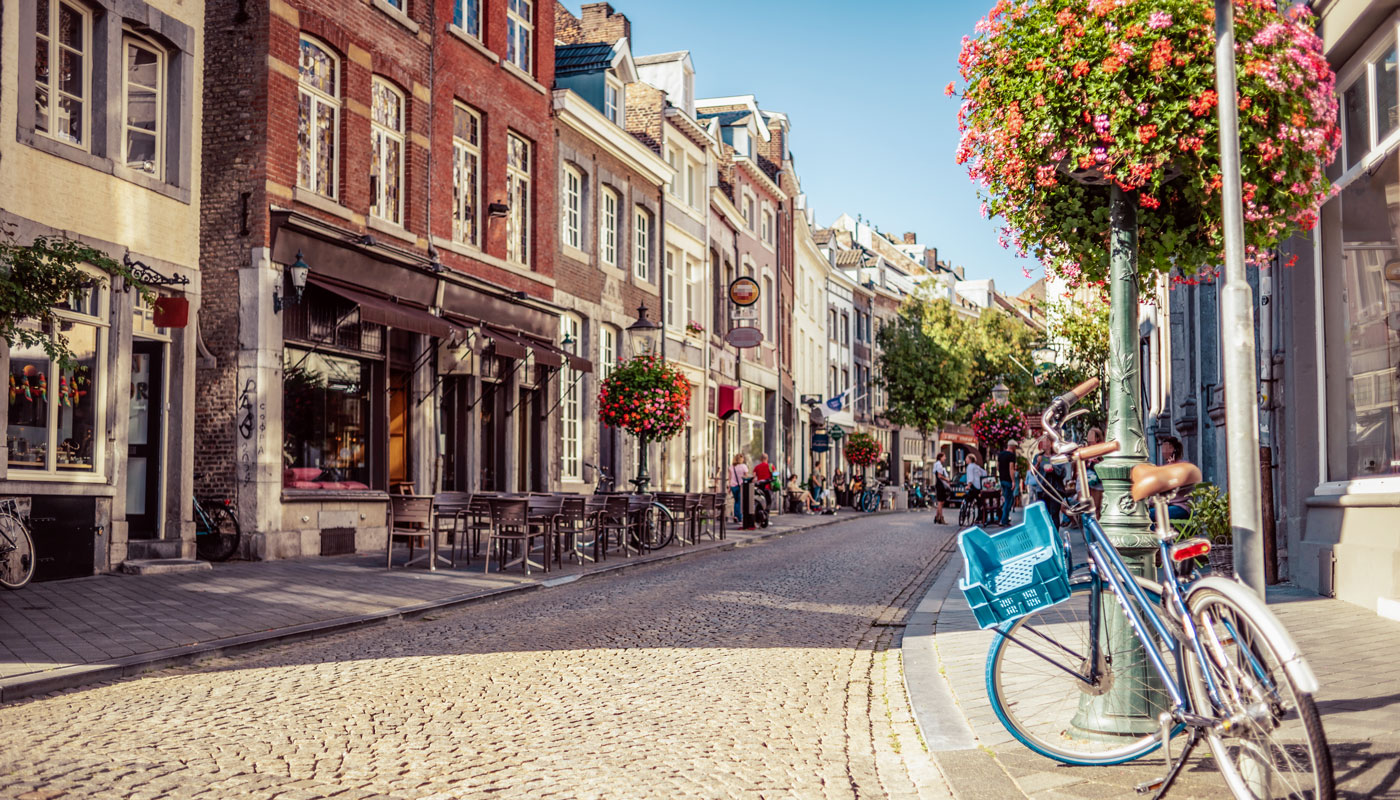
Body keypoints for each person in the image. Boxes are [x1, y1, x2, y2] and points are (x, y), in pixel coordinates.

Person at [1149, 436, 1193, 524]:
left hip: (1180, 507)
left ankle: (1159, 537)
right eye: (1163, 448)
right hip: (1166, 506)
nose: (1164, 451)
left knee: (1147, 515)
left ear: (1174, 450)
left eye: (1167, 448)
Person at [1032, 437, 1068, 531]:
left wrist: (1053, 469)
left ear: (1051, 443)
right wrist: (1038, 464)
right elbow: (1033, 472)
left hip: (1055, 489)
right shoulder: (1038, 457)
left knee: (1054, 513)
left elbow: (1063, 473)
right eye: (1043, 441)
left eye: (1046, 441)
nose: (1044, 443)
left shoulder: (1057, 457)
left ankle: (1055, 536)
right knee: (1044, 514)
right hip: (1042, 489)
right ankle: (1047, 535)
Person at [996, 441, 1018, 527]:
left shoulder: (1000, 454)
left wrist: (1002, 474)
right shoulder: (1011, 455)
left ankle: (1003, 517)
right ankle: (1004, 520)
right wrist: (1013, 481)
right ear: (1013, 447)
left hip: (1002, 479)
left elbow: (998, 467)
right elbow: (1011, 469)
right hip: (1008, 480)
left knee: (1007, 499)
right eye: (1015, 447)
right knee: (1009, 500)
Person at [1085, 427, 1106, 512]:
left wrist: (1097, 462)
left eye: (1092, 436)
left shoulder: (1101, 448)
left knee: (1096, 507)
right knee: (1090, 507)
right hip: (1089, 481)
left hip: (1098, 481)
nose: (1089, 439)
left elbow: (1104, 463)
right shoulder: (1088, 450)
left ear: (1097, 438)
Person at [963, 453, 988, 524]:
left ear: (970, 459)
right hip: (979, 487)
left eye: (966, 458)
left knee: (968, 498)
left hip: (974, 486)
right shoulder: (977, 466)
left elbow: (970, 478)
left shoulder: (969, 467)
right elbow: (984, 473)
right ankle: (980, 517)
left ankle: (966, 512)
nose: (965, 460)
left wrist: (968, 485)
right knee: (980, 502)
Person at [728, 453, 749, 523]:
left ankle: (736, 516)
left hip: (733, 486)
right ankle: (739, 517)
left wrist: (729, 487)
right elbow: (746, 476)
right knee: (739, 501)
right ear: (741, 459)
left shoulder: (731, 467)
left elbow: (729, 477)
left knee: (736, 501)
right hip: (741, 486)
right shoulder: (744, 466)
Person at [932, 452, 952, 524]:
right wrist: (947, 479)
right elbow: (940, 476)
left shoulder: (936, 464)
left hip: (939, 484)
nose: (945, 458)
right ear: (940, 457)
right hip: (941, 485)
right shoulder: (939, 465)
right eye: (944, 457)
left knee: (941, 502)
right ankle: (941, 519)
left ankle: (937, 517)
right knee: (940, 502)